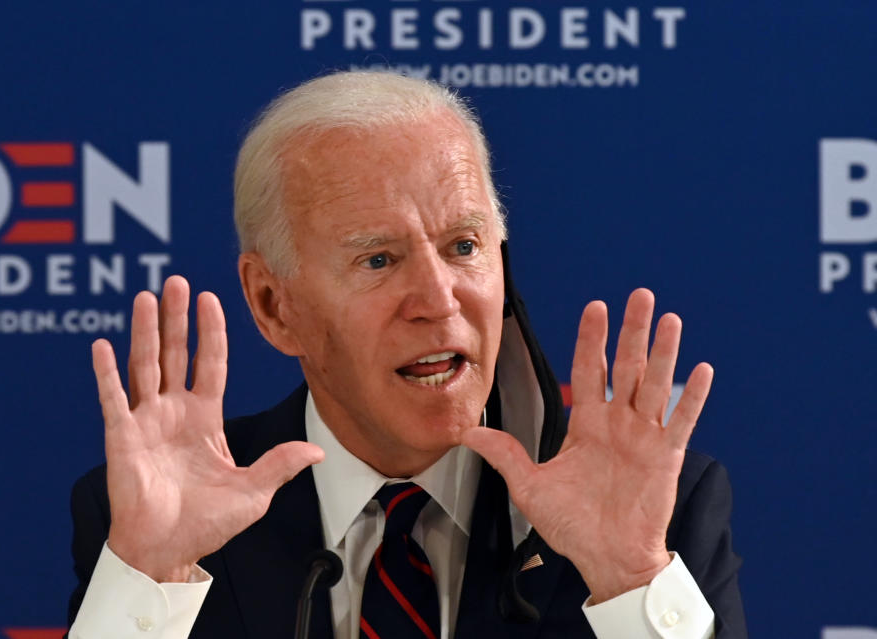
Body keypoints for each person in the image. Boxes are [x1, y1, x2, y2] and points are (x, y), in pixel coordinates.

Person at [66, 71, 746, 638]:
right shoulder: (166, 517)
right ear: (274, 305)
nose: (438, 299)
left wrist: (632, 581)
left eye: (464, 247)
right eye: (379, 258)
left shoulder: (654, 510)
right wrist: (149, 574)